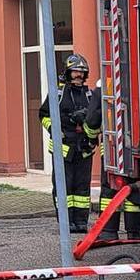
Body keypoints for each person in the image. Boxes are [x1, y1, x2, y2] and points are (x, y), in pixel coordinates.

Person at [38, 53, 101, 234]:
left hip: (84, 149)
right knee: (63, 187)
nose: (79, 75)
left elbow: (96, 119)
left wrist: (91, 136)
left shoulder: (90, 95)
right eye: (75, 71)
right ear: (67, 73)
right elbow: (43, 115)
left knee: (82, 187)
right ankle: (66, 222)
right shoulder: (58, 94)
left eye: (82, 72)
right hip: (63, 150)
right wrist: (55, 130)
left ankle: (81, 222)